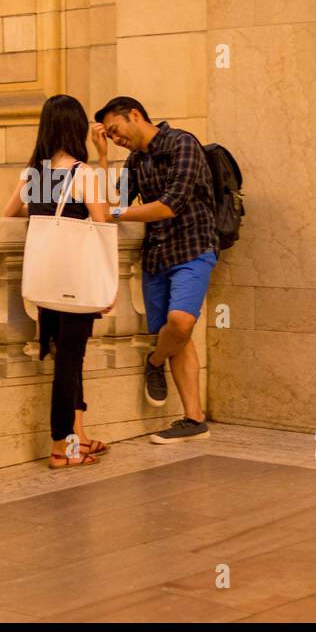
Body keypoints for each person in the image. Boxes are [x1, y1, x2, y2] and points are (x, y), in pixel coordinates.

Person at [93, 97, 217, 444]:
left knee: (180, 323)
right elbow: (112, 205)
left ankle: (154, 360)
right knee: (177, 334)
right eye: (111, 136)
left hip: (193, 248)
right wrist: (103, 157)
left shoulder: (182, 143)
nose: (117, 139)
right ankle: (194, 419)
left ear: (135, 115)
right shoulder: (134, 161)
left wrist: (116, 215)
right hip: (156, 256)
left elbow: (169, 206)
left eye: (116, 131)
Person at [3, 94, 113, 469]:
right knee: (70, 361)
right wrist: (102, 162)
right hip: (76, 281)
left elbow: (9, 211)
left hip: (46, 278)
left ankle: (77, 439)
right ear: (77, 127)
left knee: (67, 360)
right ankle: (60, 449)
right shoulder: (83, 174)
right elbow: (104, 221)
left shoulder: (35, 173)